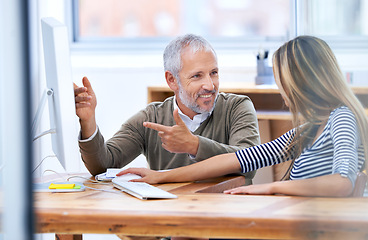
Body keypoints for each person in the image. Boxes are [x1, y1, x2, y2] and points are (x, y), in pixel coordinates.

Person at [118, 35, 368, 197]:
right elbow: (239, 159)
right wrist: (161, 176)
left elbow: (342, 182)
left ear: (303, 82)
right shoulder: (309, 130)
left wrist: (270, 188)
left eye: (284, 82)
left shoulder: (341, 118)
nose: (283, 92)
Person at [74, 34, 260, 185]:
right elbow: (103, 166)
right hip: (170, 219)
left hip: (224, 220)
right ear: (172, 80)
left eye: (214, 73)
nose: (210, 85)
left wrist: (194, 145)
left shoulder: (237, 107)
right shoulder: (151, 118)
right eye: (197, 76)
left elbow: (250, 162)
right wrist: (88, 120)